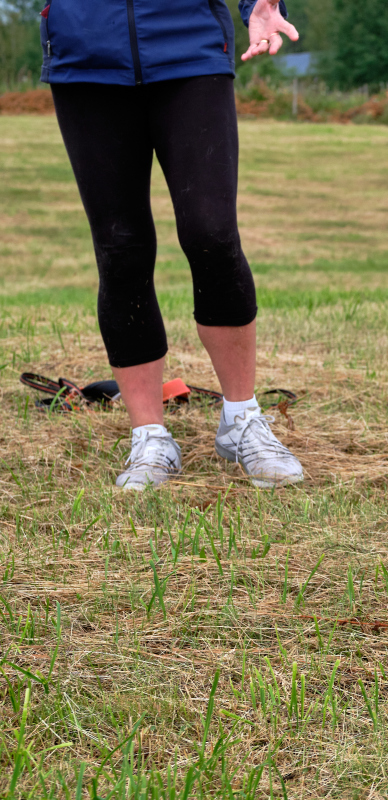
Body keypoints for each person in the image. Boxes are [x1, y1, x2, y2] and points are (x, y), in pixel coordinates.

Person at [40, 0, 303, 490]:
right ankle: (149, 436)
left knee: (213, 234)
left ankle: (242, 419)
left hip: (189, 46)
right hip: (85, 55)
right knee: (121, 249)